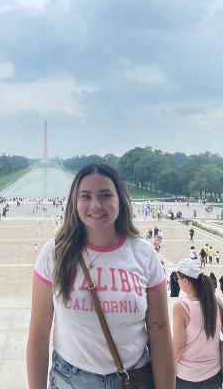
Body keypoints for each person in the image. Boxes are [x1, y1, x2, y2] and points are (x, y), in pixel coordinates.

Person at [27, 163, 175, 389]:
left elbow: (160, 330)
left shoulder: (144, 255)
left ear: (120, 199)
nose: (96, 205)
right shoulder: (54, 253)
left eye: (105, 195)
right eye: (85, 196)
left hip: (132, 380)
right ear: (75, 202)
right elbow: (38, 335)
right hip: (70, 379)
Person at [173, 259, 223, 388]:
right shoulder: (216, 302)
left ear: (186, 281)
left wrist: (167, 367)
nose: (177, 282)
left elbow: (178, 347)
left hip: (187, 376)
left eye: (178, 278)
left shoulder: (181, 306)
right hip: (214, 374)